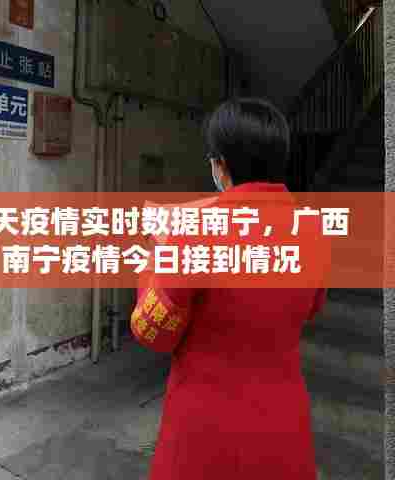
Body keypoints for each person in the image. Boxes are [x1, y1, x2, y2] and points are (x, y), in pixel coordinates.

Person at [130, 97, 328, 480]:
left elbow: (151, 330)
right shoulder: (313, 230)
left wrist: (156, 255)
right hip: (283, 425)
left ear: (220, 165)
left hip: (205, 432)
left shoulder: (197, 232)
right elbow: (311, 308)